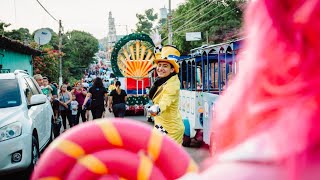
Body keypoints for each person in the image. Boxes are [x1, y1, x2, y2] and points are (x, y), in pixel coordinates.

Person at [147, 45, 184, 144]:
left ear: (172, 69)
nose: (160, 69)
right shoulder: (163, 80)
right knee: (154, 152)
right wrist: (158, 47)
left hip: (171, 130)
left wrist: (158, 108)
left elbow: (166, 99)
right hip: (160, 125)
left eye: (165, 66)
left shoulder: (173, 84)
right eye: (159, 65)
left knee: (168, 158)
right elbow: (161, 58)